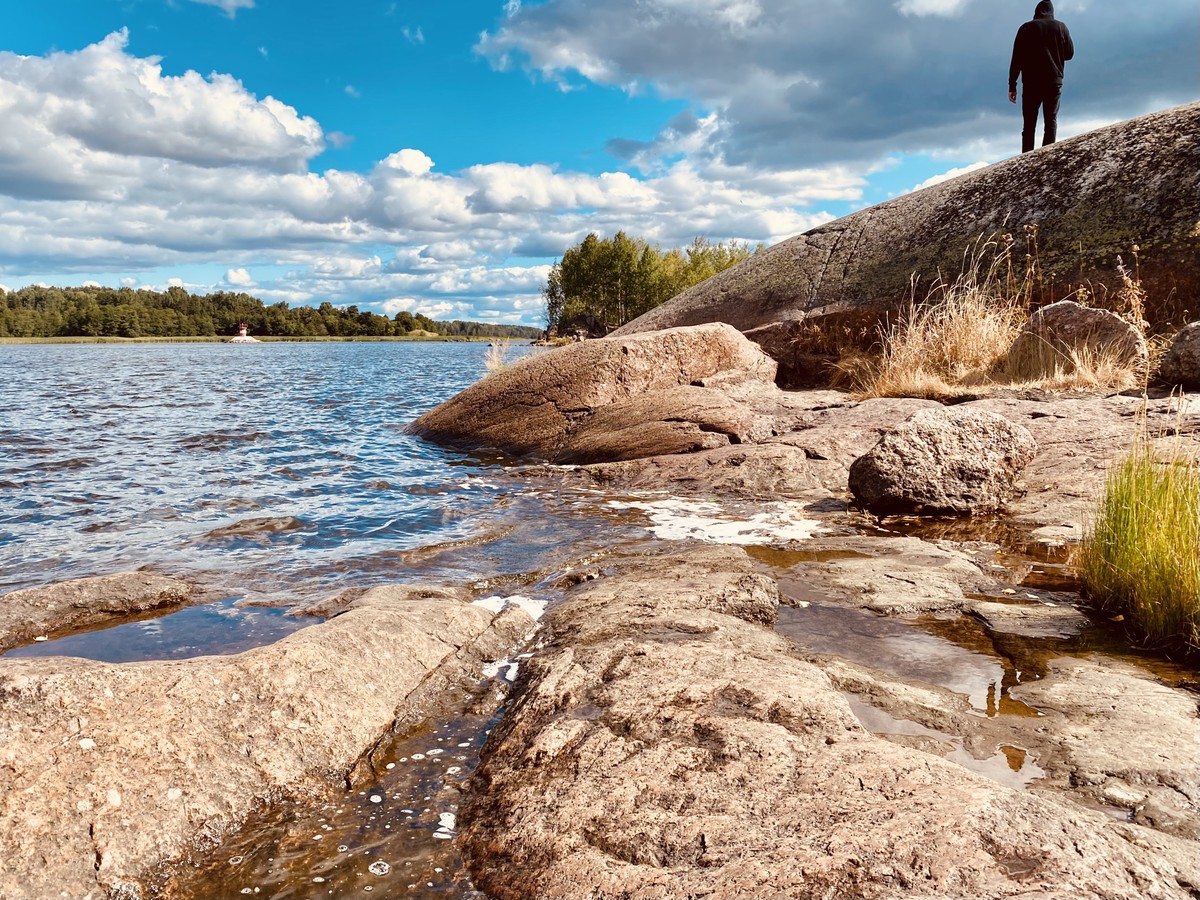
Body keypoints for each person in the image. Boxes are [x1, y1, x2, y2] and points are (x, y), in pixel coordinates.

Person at [1008, 1, 1074, 153]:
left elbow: (1016, 59)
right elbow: (1069, 54)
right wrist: (1055, 53)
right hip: (1054, 81)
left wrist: (1012, 85)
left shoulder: (1026, 28)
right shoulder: (1061, 27)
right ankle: (1047, 154)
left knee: (1029, 124)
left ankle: (1026, 156)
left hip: (1031, 82)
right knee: (1050, 120)